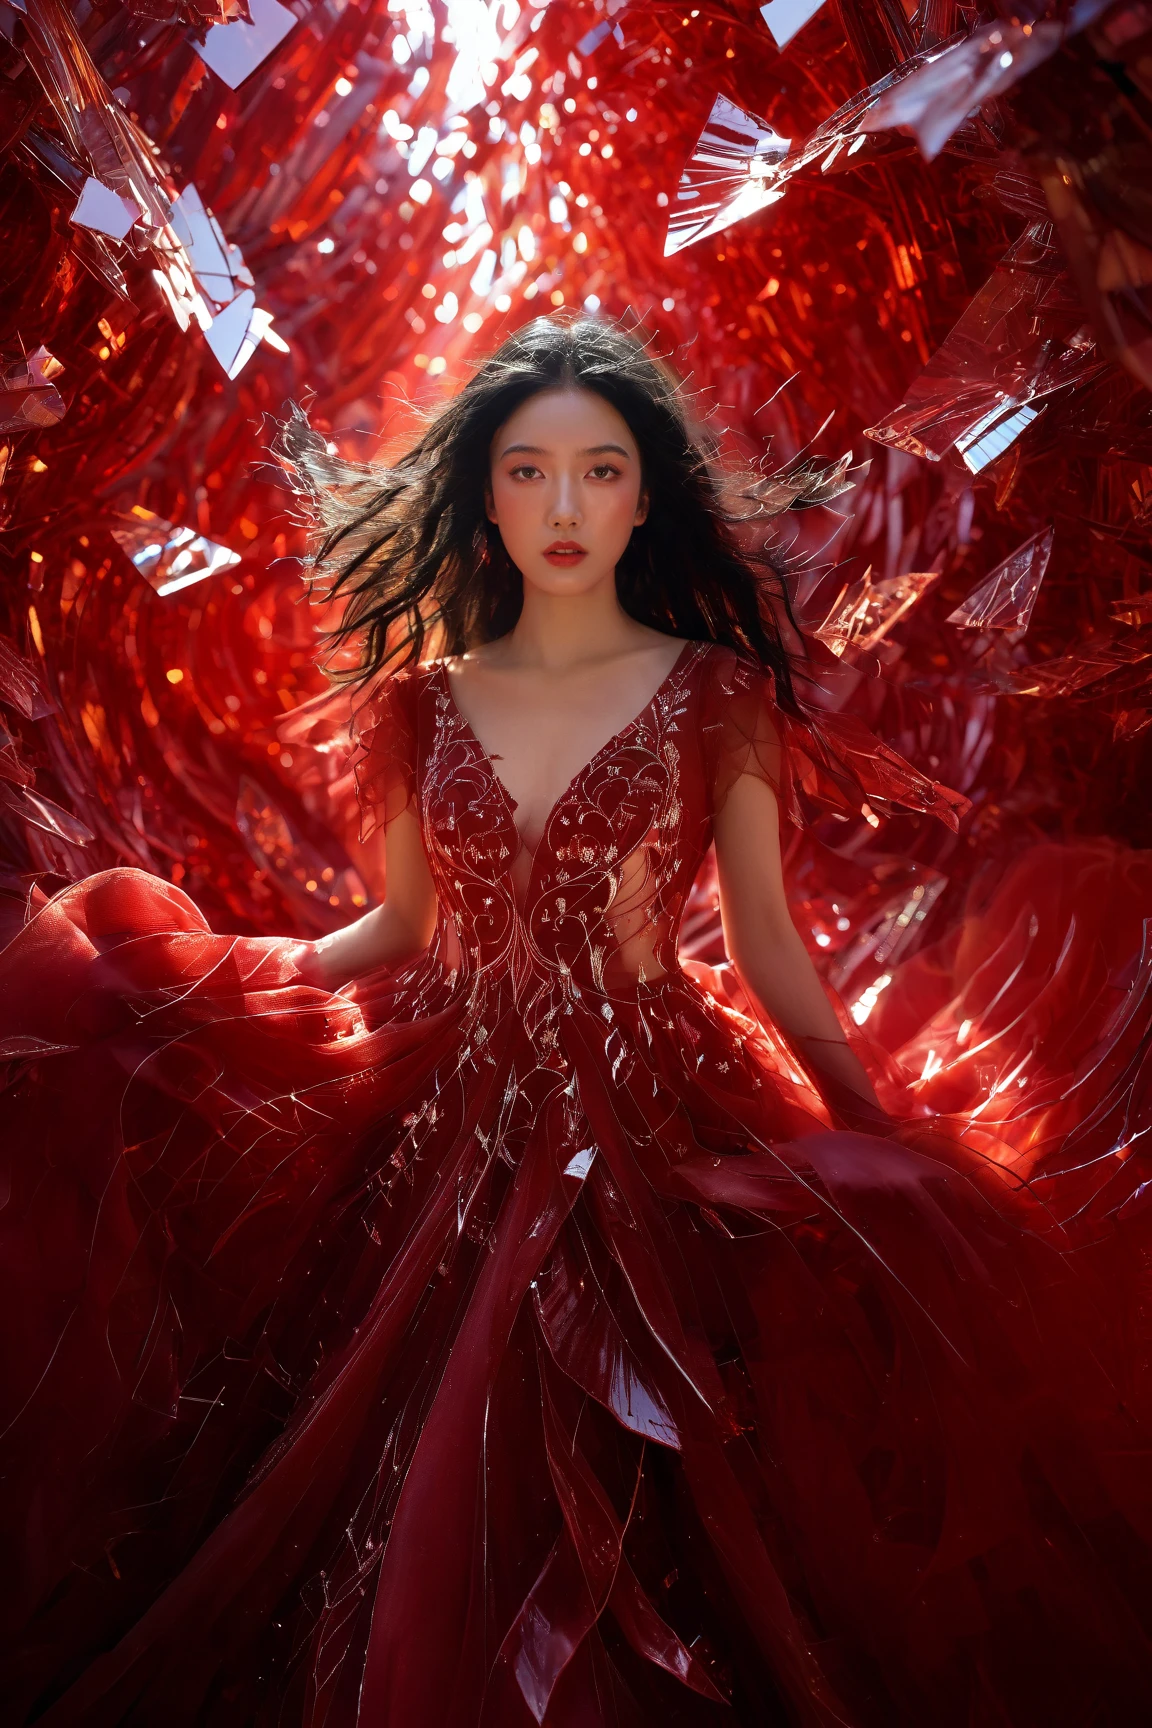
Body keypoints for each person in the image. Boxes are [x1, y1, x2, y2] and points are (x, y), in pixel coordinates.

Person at [2, 315, 1151, 1727]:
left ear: (647, 491)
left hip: (661, 1098)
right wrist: (224, 981)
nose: (564, 507)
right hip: (442, 1103)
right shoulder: (422, 699)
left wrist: (866, 1119)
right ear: (482, 494)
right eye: (529, 471)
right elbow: (401, 930)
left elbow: (770, 940)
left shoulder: (718, 691)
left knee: (683, 1502)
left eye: (598, 471)